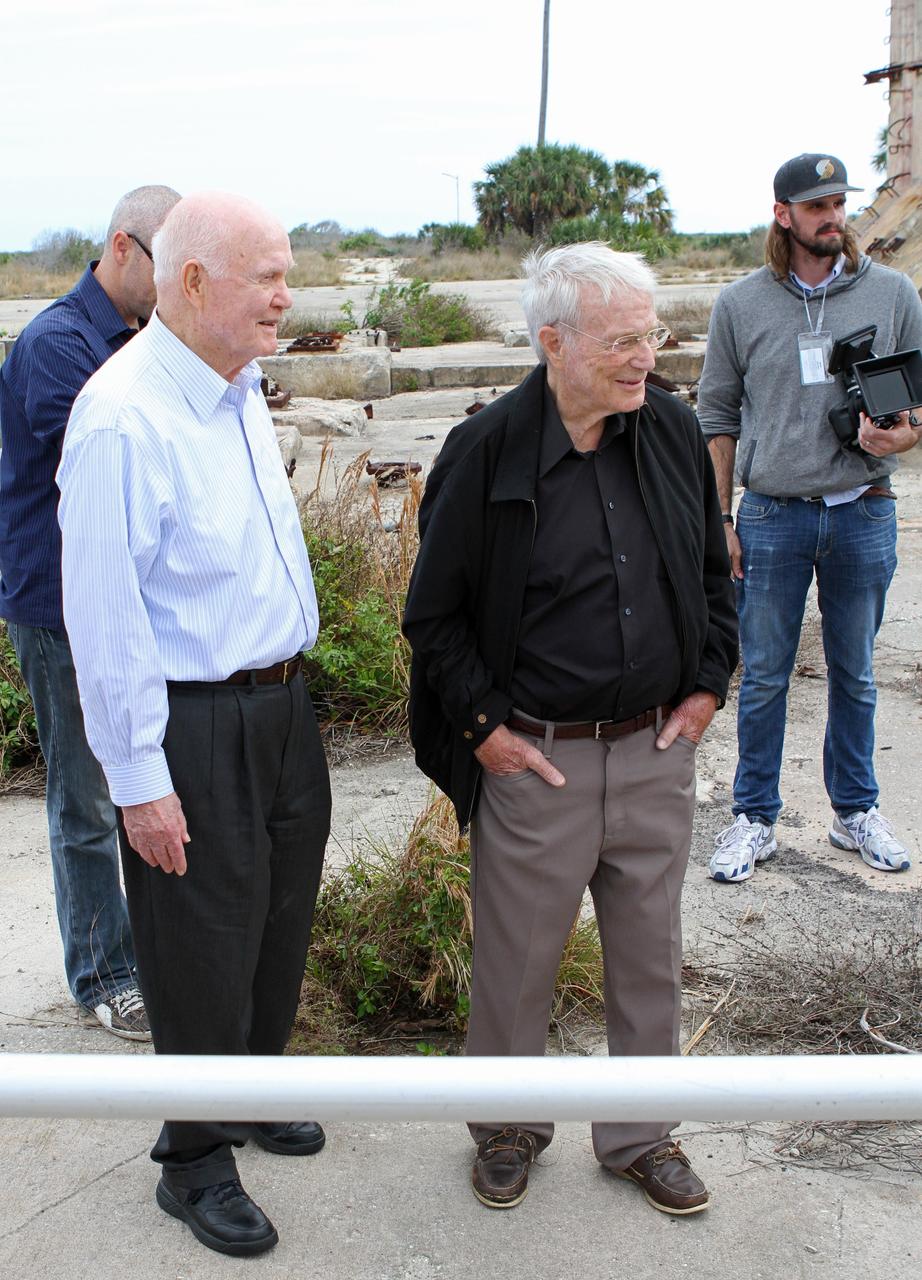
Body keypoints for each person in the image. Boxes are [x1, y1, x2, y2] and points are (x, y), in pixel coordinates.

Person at [403, 243, 737, 1215]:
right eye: (622, 339)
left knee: (647, 959)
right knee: (514, 963)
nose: (646, 355)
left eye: (652, 333)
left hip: (652, 752)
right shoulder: (485, 449)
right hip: (536, 760)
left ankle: (640, 1132)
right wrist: (486, 734)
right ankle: (508, 1126)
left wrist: (706, 687)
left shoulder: (669, 430)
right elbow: (434, 616)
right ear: (552, 340)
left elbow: (715, 573)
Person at [57, 192, 332, 1258]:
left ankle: (246, 1087)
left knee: (275, 920)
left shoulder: (237, 385)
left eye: (287, 269)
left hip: (280, 702)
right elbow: (106, 612)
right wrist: (137, 777)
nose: (285, 292)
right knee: (198, 943)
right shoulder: (123, 414)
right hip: (194, 721)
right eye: (266, 273)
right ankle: (194, 1156)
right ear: (194, 283)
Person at [698, 153, 922, 884]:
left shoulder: (893, 293)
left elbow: (918, 405)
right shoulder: (740, 304)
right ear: (783, 214)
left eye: (840, 201)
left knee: (855, 674)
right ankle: (754, 818)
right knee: (762, 676)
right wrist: (720, 520)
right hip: (770, 518)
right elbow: (717, 417)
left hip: (864, 510)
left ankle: (854, 812)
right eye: (817, 205)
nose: (834, 216)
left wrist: (902, 436)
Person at [0, 185, 180, 1039]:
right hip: (56, 608)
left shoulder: (131, 341)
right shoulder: (60, 346)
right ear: (123, 248)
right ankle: (105, 976)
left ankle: (148, 952)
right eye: (168, 263)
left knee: (139, 779)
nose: (178, 282)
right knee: (86, 799)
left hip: (113, 607)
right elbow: (130, 453)